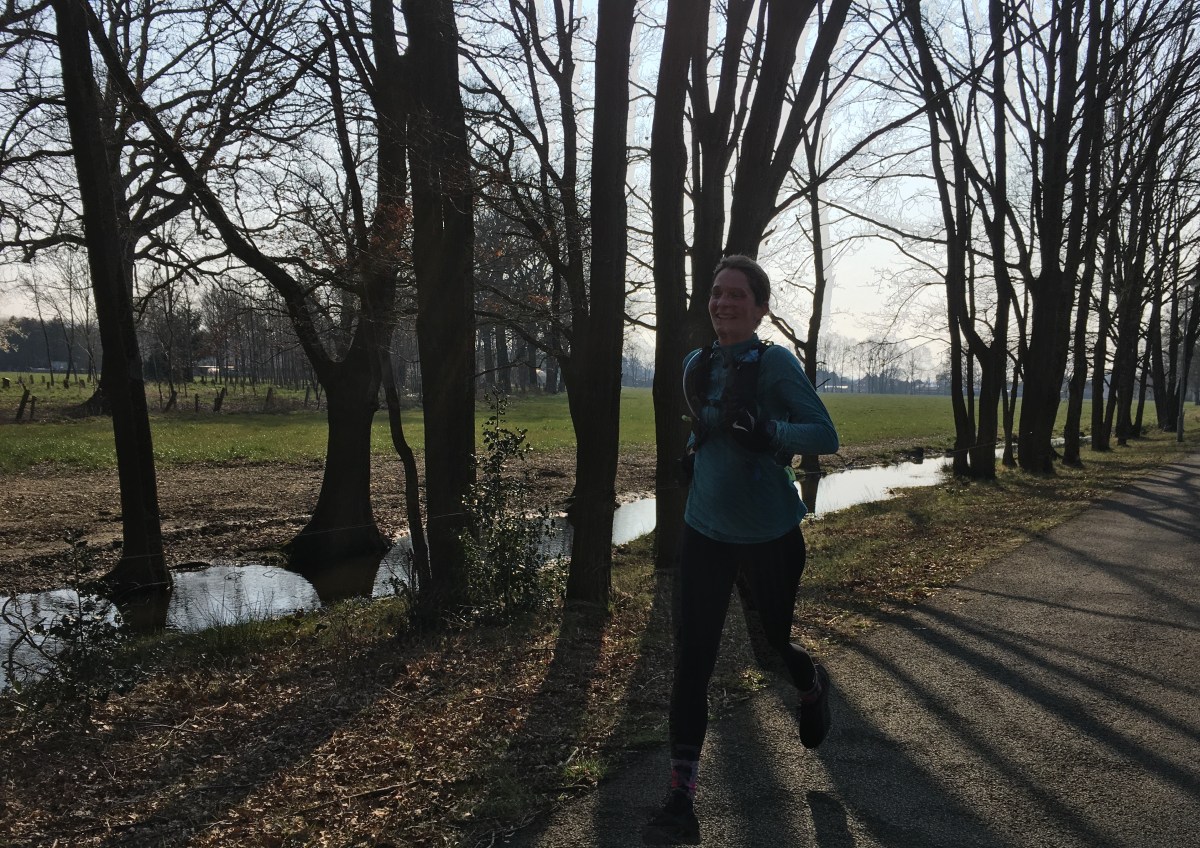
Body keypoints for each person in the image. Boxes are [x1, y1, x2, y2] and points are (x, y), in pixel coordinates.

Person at [642, 255, 840, 846]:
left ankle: (809, 684)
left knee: (773, 644)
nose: (722, 303)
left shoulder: (775, 363)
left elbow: (825, 434)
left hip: (769, 535)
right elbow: (707, 422)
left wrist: (772, 434)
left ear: (759, 309)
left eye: (736, 295)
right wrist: (692, 452)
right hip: (705, 532)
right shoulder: (695, 365)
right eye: (716, 293)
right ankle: (681, 799)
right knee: (693, 660)